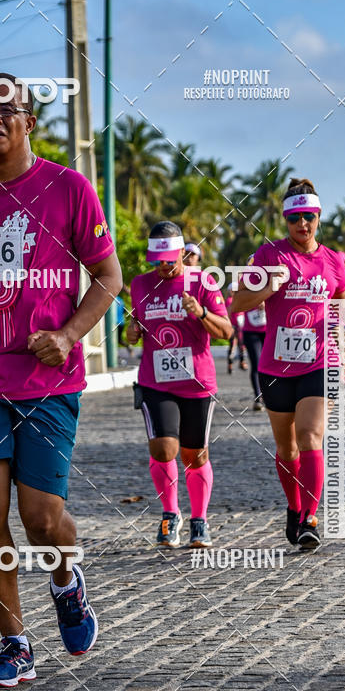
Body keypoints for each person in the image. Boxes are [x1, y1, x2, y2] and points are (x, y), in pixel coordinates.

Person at [0, 72, 122, 688]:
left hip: (47, 379)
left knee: (40, 519)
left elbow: (109, 277)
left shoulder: (68, 188)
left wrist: (67, 336)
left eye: (8, 110)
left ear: (30, 121)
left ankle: (66, 579)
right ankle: (14, 642)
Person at [232, 178, 345, 550]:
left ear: (318, 216)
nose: (302, 224)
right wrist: (270, 287)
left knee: (311, 436)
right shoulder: (269, 256)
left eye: (309, 217)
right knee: (287, 449)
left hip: (320, 361)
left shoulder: (334, 260)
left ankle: (311, 518)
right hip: (276, 366)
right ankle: (295, 507)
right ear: (285, 219)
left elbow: (343, 302)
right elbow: (236, 302)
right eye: (295, 218)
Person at [127, 221, 231, 548]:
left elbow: (226, 331)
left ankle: (199, 519)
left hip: (197, 382)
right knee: (163, 448)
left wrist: (199, 312)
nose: (163, 267)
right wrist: (132, 332)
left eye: (169, 261)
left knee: (194, 455)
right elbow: (135, 326)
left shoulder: (203, 282)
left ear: (182, 254)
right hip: (155, 380)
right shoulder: (141, 285)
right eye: (157, 261)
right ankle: (170, 513)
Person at [230, 256, 266, 409]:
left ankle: (270, 396)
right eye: (250, 264)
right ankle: (258, 398)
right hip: (251, 331)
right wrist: (256, 300)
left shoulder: (270, 278)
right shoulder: (244, 281)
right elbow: (237, 302)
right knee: (257, 364)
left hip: (269, 330)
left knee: (271, 366)